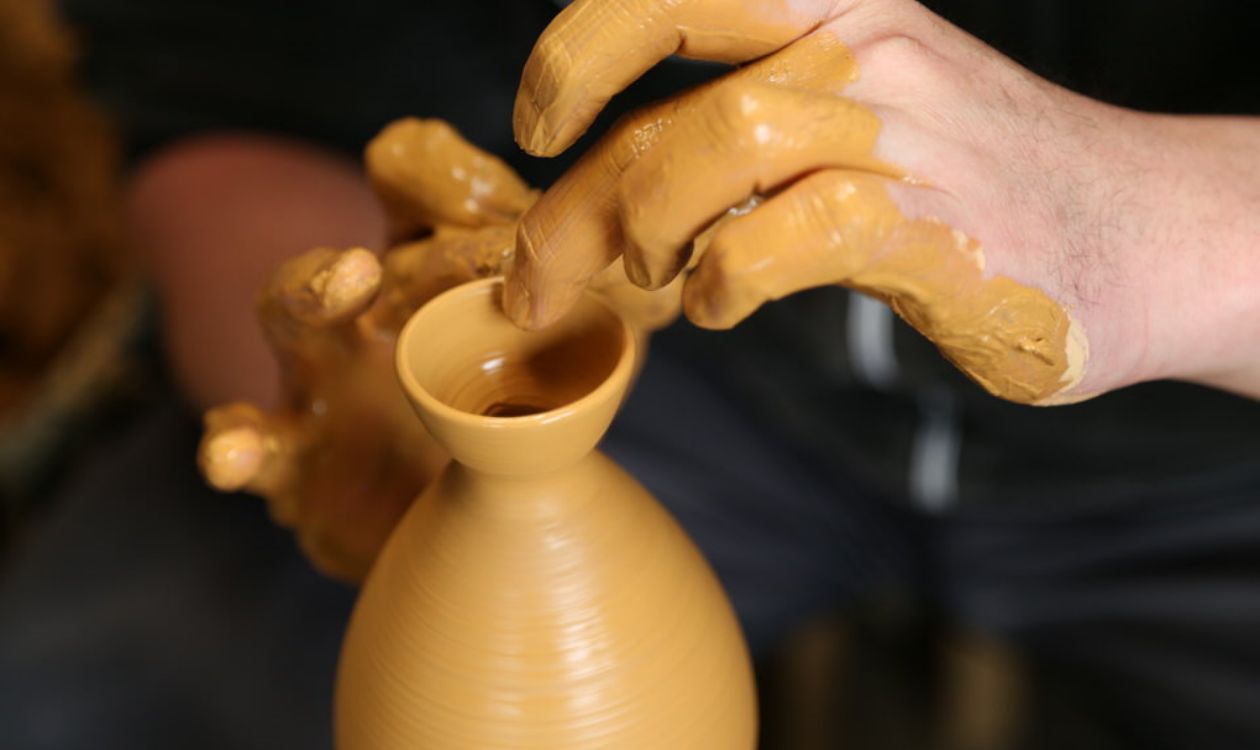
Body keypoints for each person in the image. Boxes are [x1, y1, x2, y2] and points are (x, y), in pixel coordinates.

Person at [2, 0, 1259, 748]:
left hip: (1215, 399)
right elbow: (218, 70)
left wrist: (1161, 232)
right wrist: (358, 361)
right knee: (67, 703)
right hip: (637, 328)